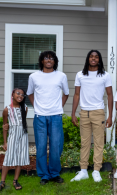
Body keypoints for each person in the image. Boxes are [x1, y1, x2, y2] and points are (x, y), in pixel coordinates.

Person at [27, 51, 69, 185]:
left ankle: (54, 173)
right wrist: (37, 106)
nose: (49, 60)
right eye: (46, 58)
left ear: (55, 61)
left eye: (51, 58)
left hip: (56, 116)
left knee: (56, 146)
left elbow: (66, 94)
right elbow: (29, 93)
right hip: (40, 117)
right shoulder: (34, 77)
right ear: (42, 61)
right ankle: (44, 175)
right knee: (41, 146)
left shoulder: (61, 76)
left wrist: (59, 107)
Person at [71, 50, 113, 182]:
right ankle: (83, 171)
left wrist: (110, 115)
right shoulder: (80, 75)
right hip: (84, 113)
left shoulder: (105, 75)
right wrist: (73, 113)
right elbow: (76, 95)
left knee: (99, 143)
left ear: (99, 60)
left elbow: (110, 95)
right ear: (88, 59)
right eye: (91, 56)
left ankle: (96, 170)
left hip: (98, 112)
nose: (93, 59)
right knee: (84, 143)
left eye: (96, 57)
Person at [0, 88, 29, 191]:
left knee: (20, 158)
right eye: (18, 93)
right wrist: (5, 142)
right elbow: (5, 127)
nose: (20, 96)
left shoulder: (25, 108)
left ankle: (15, 180)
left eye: (22, 95)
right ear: (12, 94)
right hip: (13, 135)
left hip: (23, 135)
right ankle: (2, 182)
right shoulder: (7, 109)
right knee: (8, 158)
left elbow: (22, 122)